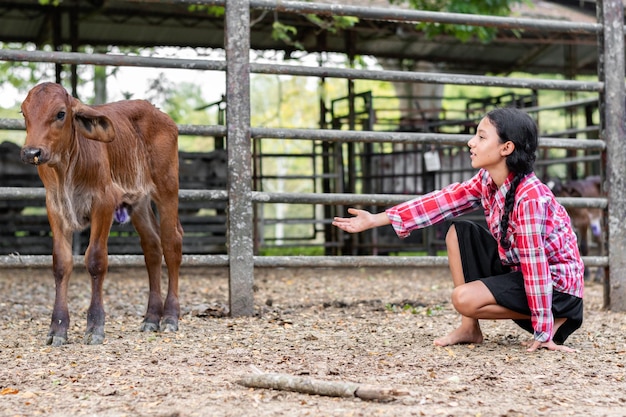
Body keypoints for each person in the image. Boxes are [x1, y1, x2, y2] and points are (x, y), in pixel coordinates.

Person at [332, 107, 584, 353]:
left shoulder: (530, 197)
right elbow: (442, 201)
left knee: (463, 299)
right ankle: (469, 329)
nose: (471, 143)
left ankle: (555, 318)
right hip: (521, 273)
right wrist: (376, 219)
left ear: (506, 148)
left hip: (556, 291)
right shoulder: (487, 180)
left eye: (482, 137)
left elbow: (535, 263)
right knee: (458, 232)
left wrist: (542, 329)